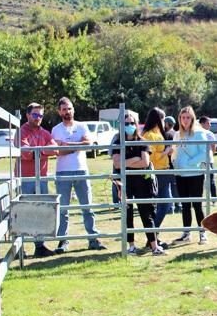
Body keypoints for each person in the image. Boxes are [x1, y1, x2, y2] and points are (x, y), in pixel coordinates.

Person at [51, 97, 106, 253]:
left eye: (69, 108)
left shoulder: (82, 126)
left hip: (81, 170)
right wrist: (77, 145)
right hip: (62, 172)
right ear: (59, 111)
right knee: (63, 209)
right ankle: (63, 241)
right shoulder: (56, 129)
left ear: (73, 109)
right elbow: (57, 151)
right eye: (64, 109)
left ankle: (93, 238)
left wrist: (67, 145)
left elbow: (88, 145)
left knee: (87, 206)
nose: (67, 112)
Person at [112, 113, 166, 256]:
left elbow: (145, 162)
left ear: (136, 124)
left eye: (131, 123)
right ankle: (131, 246)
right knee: (127, 213)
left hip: (142, 182)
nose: (129, 126)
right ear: (121, 126)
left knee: (146, 213)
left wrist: (127, 163)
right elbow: (116, 164)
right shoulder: (118, 143)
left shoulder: (142, 141)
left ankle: (154, 247)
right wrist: (135, 159)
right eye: (126, 123)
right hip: (125, 183)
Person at [17, 102, 59, 258]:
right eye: (35, 115)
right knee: (22, 212)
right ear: (28, 115)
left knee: (40, 212)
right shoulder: (22, 132)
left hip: (41, 178)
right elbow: (25, 153)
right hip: (25, 179)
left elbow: (55, 150)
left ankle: (39, 246)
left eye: (40, 115)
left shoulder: (45, 133)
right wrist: (43, 152)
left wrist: (37, 152)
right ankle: (18, 247)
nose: (38, 118)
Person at [171, 106, 209, 245]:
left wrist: (190, 162)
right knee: (185, 205)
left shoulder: (199, 133)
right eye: (182, 117)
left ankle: (202, 233)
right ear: (179, 119)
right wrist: (174, 162)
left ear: (192, 118)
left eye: (188, 117)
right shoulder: (177, 134)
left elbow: (205, 153)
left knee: (197, 205)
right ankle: (186, 233)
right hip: (180, 174)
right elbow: (174, 151)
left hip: (195, 174)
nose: (185, 120)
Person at [142, 107, 173, 244]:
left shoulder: (159, 133)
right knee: (163, 206)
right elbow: (152, 158)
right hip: (157, 172)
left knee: (165, 205)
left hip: (165, 171)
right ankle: (152, 237)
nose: (164, 121)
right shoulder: (149, 135)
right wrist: (166, 151)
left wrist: (169, 152)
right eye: (162, 118)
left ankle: (153, 237)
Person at [165, 116, 182, 214]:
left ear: (167, 124)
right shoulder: (178, 134)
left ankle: (170, 207)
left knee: (168, 186)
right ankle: (179, 205)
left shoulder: (166, 135)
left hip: (168, 163)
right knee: (175, 186)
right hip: (177, 163)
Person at [198, 116, 217, 204]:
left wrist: (210, 156)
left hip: (208, 160)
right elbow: (214, 148)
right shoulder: (198, 133)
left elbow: (213, 147)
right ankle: (203, 200)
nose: (210, 125)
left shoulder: (209, 133)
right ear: (202, 123)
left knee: (210, 180)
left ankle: (213, 200)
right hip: (200, 161)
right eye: (208, 123)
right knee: (201, 180)